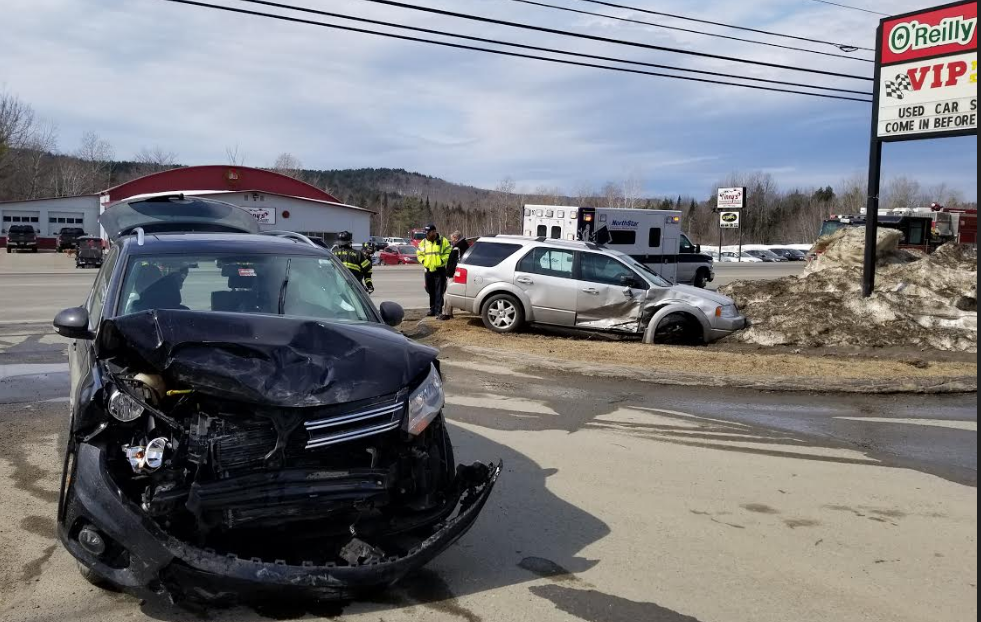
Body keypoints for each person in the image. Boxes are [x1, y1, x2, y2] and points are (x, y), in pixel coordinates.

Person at [416, 224, 451, 317]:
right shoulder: (423, 242)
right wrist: (423, 261)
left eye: (428, 233)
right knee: (430, 291)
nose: (427, 235)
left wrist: (442, 261)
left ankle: (438, 311)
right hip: (428, 270)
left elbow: (448, 253)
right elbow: (419, 254)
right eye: (426, 233)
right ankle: (432, 309)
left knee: (439, 291)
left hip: (439, 270)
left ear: (434, 232)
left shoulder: (443, 241)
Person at [439, 231, 469, 320]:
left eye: (452, 239)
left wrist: (449, 273)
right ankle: (449, 312)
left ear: (456, 238)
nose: (451, 240)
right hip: (457, 273)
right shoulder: (464, 246)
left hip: (453, 273)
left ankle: (446, 313)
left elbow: (454, 262)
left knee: (447, 293)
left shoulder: (457, 248)